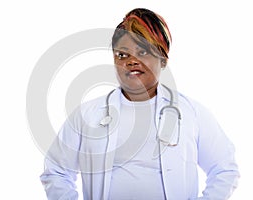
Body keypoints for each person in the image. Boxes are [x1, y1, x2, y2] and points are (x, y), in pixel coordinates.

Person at [40, 8, 239, 200]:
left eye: (143, 52)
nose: (132, 61)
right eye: (122, 55)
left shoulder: (191, 113)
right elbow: (56, 172)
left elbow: (225, 170)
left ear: (162, 59)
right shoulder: (87, 115)